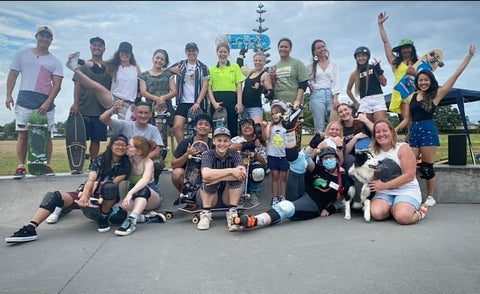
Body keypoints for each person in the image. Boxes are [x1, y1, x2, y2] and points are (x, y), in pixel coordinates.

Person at [4, 134, 132, 243]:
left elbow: (113, 183)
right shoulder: (100, 160)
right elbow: (91, 179)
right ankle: (31, 228)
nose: (120, 147)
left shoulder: (126, 164)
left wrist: (94, 188)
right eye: (117, 144)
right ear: (110, 145)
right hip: (87, 191)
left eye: (123, 145)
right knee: (54, 196)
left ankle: (103, 218)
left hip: (105, 198)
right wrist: (86, 194)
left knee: (109, 187)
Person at [395, 45, 476, 207]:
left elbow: (455, 75)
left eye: (426, 80)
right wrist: (395, 130)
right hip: (414, 132)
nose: (423, 82)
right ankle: (409, 194)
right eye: (421, 80)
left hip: (428, 132)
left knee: (426, 168)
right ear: (417, 82)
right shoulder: (411, 97)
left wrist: (469, 57)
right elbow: (406, 120)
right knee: (409, 166)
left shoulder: (436, 95)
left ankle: (431, 196)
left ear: (431, 81)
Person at [231, 146, 346, 231]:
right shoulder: (319, 169)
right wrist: (313, 144)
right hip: (300, 192)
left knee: (286, 207)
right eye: (325, 158)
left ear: (336, 158)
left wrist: (330, 209)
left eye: (330, 157)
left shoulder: (343, 179)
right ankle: (290, 133)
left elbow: (341, 201)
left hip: (313, 204)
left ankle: (254, 220)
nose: (327, 160)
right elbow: (305, 157)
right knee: (299, 163)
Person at [5, 26, 63, 179]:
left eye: (48, 37)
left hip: (45, 102)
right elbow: (13, 75)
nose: (44, 39)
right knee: (23, 135)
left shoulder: (55, 61)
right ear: (36, 37)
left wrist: (48, 102)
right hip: (25, 100)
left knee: (47, 135)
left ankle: (47, 165)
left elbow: (57, 85)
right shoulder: (22, 55)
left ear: (51, 40)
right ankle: (20, 166)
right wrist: (8, 95)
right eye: (42, 36)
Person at [368, 120, 428, 225]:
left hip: (406, 189)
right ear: (374, 135)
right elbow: (374, 175)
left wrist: (384, 185)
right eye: (377, 132)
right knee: (377, 214)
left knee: (403, 218)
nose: (381, 134)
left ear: (392, 132)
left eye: (384, 131)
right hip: (384, 190)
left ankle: (421, 211)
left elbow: (409, 176)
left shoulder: (402, 147)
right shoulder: (372, 152)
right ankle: (394, 208)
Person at [100, 99, 165, 184]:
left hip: (144, 160)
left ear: (150, 115)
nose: (143, 115)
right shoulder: (125, 124)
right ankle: (110, 187)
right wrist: (113, 109)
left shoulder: (153, 129)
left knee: (158, 163)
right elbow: (103, 119)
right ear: (135, 113)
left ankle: (152, 184)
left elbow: (157, 151)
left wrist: (141, 161)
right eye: (140, 112)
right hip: (126, 160)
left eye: (146, 113)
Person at [70, 37, 112, 162]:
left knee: (96, 139)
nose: (97, 48)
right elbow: (77, 84)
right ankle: (78, 163)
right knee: (80, 139)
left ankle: (93, 163)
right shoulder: (82, 66)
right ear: (90, 47)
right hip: (84, 107)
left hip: (100, 109)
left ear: (104, 49)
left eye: (100, 46)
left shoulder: (108, 68)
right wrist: (76, 103)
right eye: (94, 45)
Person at [197, 127, 246, 231]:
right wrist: (231, 171)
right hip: (209, 196)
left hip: (227, 195)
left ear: (229, 143)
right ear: (214, 141)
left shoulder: (235, 155)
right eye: (219, 140)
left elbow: (242, 173)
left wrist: (217, 177)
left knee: (238, 178)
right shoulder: (207, 155)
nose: (222, 144)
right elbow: (205, 174)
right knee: (209, 180)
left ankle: (232, 212)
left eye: (225, 141)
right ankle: (205, 214)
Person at [115, 135, 166, 236]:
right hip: (134, 197)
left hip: (150, 196)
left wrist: (130, 193)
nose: (126, 148)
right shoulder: (128, 161)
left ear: (138, 152)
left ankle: (131, 222)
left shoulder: (148, 162)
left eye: (129, 146)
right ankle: (148, 218)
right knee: (115, 215)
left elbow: (145, 180)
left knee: (143, 189)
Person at [377, 11, 419, 127]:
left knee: (417, 117)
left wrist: (416, 73)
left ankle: (412, 139)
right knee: (408, 118)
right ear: (400, 50)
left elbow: (428, 72)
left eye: (408, 48)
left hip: (416, 92)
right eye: (403, 48)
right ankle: (409, 139)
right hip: (402, 91)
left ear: (412, 49)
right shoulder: (395, 62)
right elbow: (386, 43)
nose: (406, 50)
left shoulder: (418, 62)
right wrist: (380, 25)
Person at [168, 42, 210, 144]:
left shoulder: (203, 67)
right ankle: (184, 150)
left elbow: (205, 86)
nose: (191, 53)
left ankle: (199, 150)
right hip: (183, 102)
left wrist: (197, 103)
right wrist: (171, 70)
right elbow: (165, 70)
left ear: (197, 52)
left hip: (198, 103)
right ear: (186, 52)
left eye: (193, 50)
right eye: (189, 51)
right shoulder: (181, 64)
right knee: (177, 126)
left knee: (199, 130)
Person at [207, 42, 244, 137]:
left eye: (225, 52)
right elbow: (209, 88)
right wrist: (214, 103)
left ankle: (233, 149)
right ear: (217, 53)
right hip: (216, 100)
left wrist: (239, 103)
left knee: (232, 127)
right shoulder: (211, 70)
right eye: (220, 52)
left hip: (232, 99)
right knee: (218, 128)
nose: (222, 54)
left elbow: (239, 86)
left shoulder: (235, 67)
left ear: (228, 53)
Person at [171, 113, 213, 193]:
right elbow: (173, 165)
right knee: (177, 173)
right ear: (195, 127)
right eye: (200, 124)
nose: (203, 126)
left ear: (210, 129)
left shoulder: (213, 144)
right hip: (188, 175)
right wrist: (187, 155)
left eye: (206, 125)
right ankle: (184, 195)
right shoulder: (185, 143)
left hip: (207, 175)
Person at [305, 39, 341, 133]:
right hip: (317, 94)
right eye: (318, 48)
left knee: (333, 124)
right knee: (319, 125)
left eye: (323, 46)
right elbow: (303, 78)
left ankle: (335, 146)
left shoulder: (333, 64)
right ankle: (319, 146)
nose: (322, 49)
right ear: (315, 52)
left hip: (331, 94)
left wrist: (336, 98)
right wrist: (309, 86)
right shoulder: (310, 66)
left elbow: (336, 81)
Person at [230, 118, 268, 206]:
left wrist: (254, 154)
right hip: (238, 165)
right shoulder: (236, 139)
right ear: (240, 130)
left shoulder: (259, 141)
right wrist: (250, 145)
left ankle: (254, 192)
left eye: (249, 125)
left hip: (252, 166)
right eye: (243, 125)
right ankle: (238, 194)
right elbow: (231, 147)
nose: (247, 127)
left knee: (258, 171)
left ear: (254, 128)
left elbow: (264, 162)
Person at [346, 46, 388, 122]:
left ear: (368, 57)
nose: (361, 58)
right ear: (356, 58)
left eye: (363, 56)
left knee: (381, 123)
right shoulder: (354, 74)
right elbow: (348, 90)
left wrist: (378, 70)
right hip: (364, 100)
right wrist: (355, 102)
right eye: (359, 56)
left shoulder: (374, 67)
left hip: (378, 98)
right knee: (364, 125)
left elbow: (384, 83)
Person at [138, 49, 177, 129]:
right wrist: (156, 99)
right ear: (153, 59)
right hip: (149, 107)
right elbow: (143, 92)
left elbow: (174, 92)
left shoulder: (168, 75)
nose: (159, 60)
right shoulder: (143, 75)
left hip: (165, 107)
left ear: (165, 62)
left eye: (162, 59)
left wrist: (163, 98)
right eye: (157, 58)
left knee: (164, 131)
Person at [262, 100, 289, 206]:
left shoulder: (286, 127)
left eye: (276, 113)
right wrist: (264, 128)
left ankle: (283, 196)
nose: (274, 116)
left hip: (284, 155)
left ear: (282, 113)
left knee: (283, 177)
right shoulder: (270, 126)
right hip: (273, 155)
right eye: (272, 114)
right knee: (275, 176)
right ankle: (274, 197)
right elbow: (266, 138)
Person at [236, 50, 274, 124]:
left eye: (260, 61)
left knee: (257, 129)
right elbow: (239, 66)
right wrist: (242, 53)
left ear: (264, 62)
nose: (257, 63)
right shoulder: (250, 73)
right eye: (256, 60)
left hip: (255, 108)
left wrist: (262, 89)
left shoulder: (265, 75)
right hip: (244, 108)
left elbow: (271, 95)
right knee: (246, 131)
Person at [107, 41, 141, 120]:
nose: (124, 54)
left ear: (130, 54)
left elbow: (139, 88)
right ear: (119, 53)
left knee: (123, 126)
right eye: (122, 52)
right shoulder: (112, 66)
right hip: (113, 98)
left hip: (128, 102)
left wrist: (136, 103)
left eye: (127, 52)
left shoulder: (136, 68)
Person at [271, 38, 309, 107]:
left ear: (290, 49)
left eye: (286, 47)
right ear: (278, 48)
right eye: (281, 47)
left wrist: (298, 100)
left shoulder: (297, 63)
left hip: (293, 103)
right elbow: (271, 87)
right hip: (278, 103)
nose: (283, 49)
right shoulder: (274, 67)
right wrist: (273, 79)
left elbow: (303, 84)